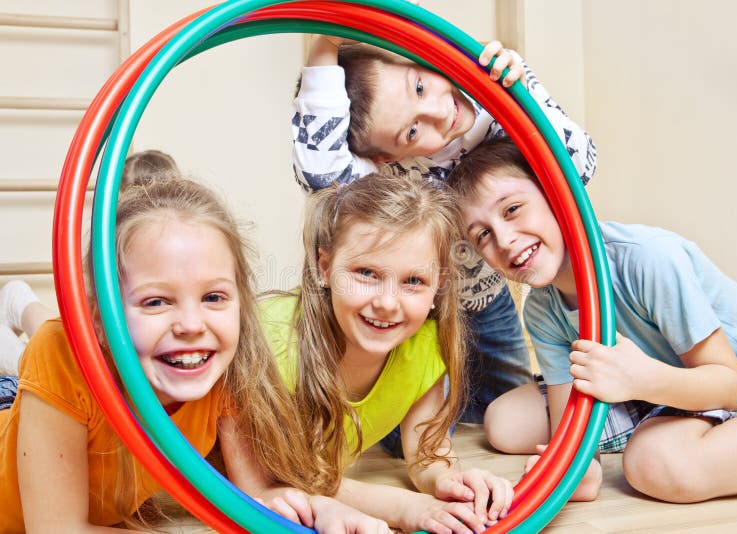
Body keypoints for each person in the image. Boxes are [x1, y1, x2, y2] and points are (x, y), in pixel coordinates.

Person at [0, 177, 389, 533]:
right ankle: (20, 307)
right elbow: (57, 529)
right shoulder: (59, 352)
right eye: (155, 301)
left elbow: (255, 496)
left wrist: (318, 512)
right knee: (45, 344)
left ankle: (19, 311)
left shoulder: (223, 369)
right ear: (101, 318)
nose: (191, 324)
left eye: (213, 297)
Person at [291, 33, 598, 455]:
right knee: (414, 442)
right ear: (385, 158)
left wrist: (524, 92)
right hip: (420, 314)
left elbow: (579, 165)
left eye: (420, 86)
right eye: (413, 130)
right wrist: (325, 42)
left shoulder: (497, 101)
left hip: (486, 302)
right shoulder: (387, 174)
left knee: (506, 413)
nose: (439, 111)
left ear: (416, 57)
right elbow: (320, 173)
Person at [448, 136, 737, 503]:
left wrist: (642, 381)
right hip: (647, 385)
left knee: (653, 463)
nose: (503, 240)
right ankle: (669, 425)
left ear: (557, 194)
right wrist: (579, 469)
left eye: (512, 209)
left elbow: (729, 387)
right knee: (504, 421)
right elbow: (568, 422)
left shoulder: (649, 258)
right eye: (483, 235)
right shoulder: (540, 307)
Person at [259, 172, 514, 534]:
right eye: (366, 273)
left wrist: (449, 482)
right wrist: (408, 508)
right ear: (324, 267)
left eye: (413, 281)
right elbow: (283, 480)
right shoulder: (273, 342)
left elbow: (426, 453)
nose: (387, 303)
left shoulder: (425, 347)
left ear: (438, 285)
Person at [0, 149, 182, 377]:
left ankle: (21, 331)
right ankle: (15, 301)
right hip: (91, 349)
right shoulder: (111, 249)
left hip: (94, 369)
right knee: (33, 311)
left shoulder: (126, 254)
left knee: (41, 342)